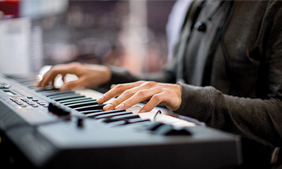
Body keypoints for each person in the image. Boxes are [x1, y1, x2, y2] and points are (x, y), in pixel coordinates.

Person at [38, 0, 282, 168]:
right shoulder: (199, 4)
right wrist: (109, 76)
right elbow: (174, 80)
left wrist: (188, 96)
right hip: (194, 154)